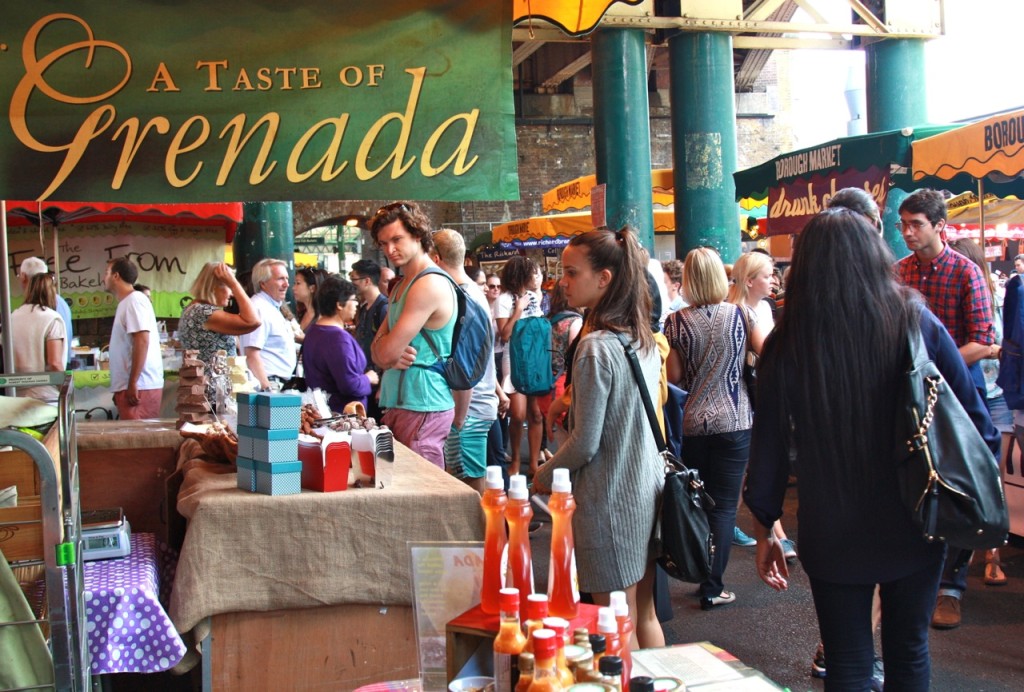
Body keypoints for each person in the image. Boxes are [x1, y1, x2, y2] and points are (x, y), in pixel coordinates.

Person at [745, 207, 999, 691]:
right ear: (875, 256)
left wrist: (765, 530)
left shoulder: (788, 339)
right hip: (915, 516)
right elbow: (972, 415)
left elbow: (769, 444)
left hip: (831, 521)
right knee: (909, 650)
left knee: (848, 659)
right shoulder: (913, 319)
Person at [532, 227, 665, 649]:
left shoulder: (595, 347)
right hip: (646, 492)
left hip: (610, 503)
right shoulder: (639, 335)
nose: (561, 283)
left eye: (571, 273)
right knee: (644, 614)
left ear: (604, 278)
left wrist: (541, 475)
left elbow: (586, 443)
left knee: (613, 626)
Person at [894, 188, 995, 631]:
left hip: (955, 396)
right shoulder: (899, 272)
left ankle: (952, 586)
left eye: (916, 224)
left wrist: (936, 361)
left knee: (957, 482)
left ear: (940, 227)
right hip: (909, 399)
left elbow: (985, 338)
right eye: (904, 224)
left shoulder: (966, 272)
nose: (908, 232)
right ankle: (917, 574)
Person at [664, 247, 755, 611]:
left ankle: (700, 571)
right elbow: (766, 351)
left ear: (687, 280)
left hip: (694, 423)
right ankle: (712, 586)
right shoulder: (742, 315)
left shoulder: (675, 323)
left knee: (699, 502)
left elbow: (673, 377)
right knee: (725, 506)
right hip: (735, 420)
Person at [369, 202, 456, 469]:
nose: (389, 249)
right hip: (407, 403)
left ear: (417, 235)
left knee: (425, 498)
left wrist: (386, 353)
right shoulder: (402, 285)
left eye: (397, 239)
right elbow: (377, 352)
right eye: (383, 243)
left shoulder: (427, 284)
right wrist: (387, 354)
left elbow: (382, 352)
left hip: (423, 404)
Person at [950, 238, 1012, 588]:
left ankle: (992, 554)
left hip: (995, 395)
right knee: (965, 475)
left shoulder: (999, 300)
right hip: (970, 392)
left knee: (992, 478)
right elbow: (989, 346)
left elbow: (998, 345)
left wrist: (987, 348)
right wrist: (985, 348)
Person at [726, 251, 792, 554]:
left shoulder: (763, 308)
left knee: (749, 466)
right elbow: (768, 352)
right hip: (743, 397)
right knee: (746, 466)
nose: (774, 280)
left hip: (756, 393)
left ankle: (773, 531)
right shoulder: (738, 311)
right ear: (751, 281)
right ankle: (771, 533)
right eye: (768, 275)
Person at [432, 229, 500, 492]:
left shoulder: (464, 298)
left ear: (436, 259)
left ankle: (485, 534)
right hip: (471, 406)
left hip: (469, 410)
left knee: (470, 484)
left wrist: (458, 418)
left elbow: (465, 363)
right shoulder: (469, 293)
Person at [178, 261, 261, 404]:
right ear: (214, 286)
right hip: (214, 395)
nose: (232, 294)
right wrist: (235, 284)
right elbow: (253, 321)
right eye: (228, 286)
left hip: (205, 392)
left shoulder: (193, 309)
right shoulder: (204, 312)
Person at [496, 256, 547, 476]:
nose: (535, 277)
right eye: (532, 272)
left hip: (535, 358)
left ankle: (534, 463)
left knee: (535, 413)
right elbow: (505, 335)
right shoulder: (504, 300)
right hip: (514, 358)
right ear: (522, 275)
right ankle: (515, 459)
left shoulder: (535, 297)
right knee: (517, 414)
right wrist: (518, 309)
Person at [302, 276, 378, 412]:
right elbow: (350, 385)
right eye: (354, 299)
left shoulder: (313, 331)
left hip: (321, 409)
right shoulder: (338, 338)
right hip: (342, 415)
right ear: (339, 304)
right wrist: (368, 378)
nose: (356, 304)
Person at [103, 256, 164, 419]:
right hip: (132, 385)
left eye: (107, 273)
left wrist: (133, 382)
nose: (104, 278)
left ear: (116, 276)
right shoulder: (127, 302)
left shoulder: (135, 300)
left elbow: (142, 340)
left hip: (141, 386)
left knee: (140, 440)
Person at [240, 258, 297, 391]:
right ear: (263, 284)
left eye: (287, 279)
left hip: (278, 384)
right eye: (280, 279)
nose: (286, 284)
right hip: (270, 384)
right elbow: (252, 354)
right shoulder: (259, 309)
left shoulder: (271, 307)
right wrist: (268, 390)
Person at [10, 273, 66, 402]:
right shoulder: (52, 318)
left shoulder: (12, 317)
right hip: (46, 395)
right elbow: (55, 363)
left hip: (15, 394)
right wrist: (65, 388)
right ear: (51, 291)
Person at [351, 258, 389, 420]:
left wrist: (383, 387)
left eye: (354, 279)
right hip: (366, 378)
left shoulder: (383, 308)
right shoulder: (363, 308)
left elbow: (389, 350)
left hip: (378, 381)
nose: (352, 284)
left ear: (367, 281)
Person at [19, 257, 73, 367]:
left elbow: (55, 361)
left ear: (23, 277)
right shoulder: (59, 303)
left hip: (50, 375)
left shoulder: (51, 307)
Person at [293, 267, 328, 338]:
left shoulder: (322, 318)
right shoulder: (301, 313)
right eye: (294, 283)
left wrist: (304, 340)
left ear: (312, 288)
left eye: (298, 283)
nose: (293, 288)